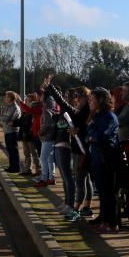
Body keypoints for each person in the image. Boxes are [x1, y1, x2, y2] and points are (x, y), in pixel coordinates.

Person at [47, 81, 94, 221]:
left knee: (80, 179)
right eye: (75, 96)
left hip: (83, 150)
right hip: (80, 149)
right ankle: (84, 207)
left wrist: (51, 87)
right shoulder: (83, 111)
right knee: (83, 179)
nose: (76, 98)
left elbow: (63, 104)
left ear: (87, 97)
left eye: (79, 96)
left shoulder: (86, 112)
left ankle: (77, 209)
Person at [87, 87, 121, 233]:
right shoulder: (97, 116)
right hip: (97, 157)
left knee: (108, 192)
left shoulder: (109, 117)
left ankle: (111, 223)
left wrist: (91, 130)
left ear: (101, 100)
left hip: (106, 158)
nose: (90, 102)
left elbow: (102, 136)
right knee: (101, 190)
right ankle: (103, 218)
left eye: (92, 99)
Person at [16, 92, 43, 177]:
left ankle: (38, 169)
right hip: (25, 135)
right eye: (26, 100)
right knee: (26, 153)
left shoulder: (32, 111)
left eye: (28, 100)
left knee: (33, 153)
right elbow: (21, 122)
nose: (26, 101)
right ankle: (28, 169)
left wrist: (21, 102)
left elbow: (30, 123)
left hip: (30, 135)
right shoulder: (26, 112)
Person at [37, 90, 59, 188]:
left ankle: (44, 179)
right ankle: (51, 178)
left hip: (47, 137)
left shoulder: (46, 110)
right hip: (52, 137)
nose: (40, 97)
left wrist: (39, 133)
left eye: (41, 96)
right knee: (50, 159)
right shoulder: (52, 106)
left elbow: (45, 125)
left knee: (43, 158)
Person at [0, 92, 23, 173]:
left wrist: (4, 118)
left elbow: (7, 118)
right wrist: (4, 118)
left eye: (6, 96)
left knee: (13, 150)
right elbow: (4, 117)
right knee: (9, 149)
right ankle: (11, 166)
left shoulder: (15, 107)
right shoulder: (8, 107)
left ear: (10, 98)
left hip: (12, 131)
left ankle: (16, 167)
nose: (5, 98)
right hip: (7, 130)